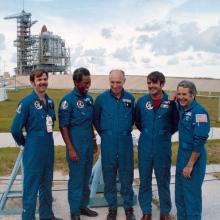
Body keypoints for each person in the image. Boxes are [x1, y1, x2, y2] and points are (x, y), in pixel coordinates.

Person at [11, 69, 62, 220]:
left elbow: (50, 124)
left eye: (45, 79)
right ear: (33, 83)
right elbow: (15, 129)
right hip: (33, 149)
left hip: (48, 148)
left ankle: (46, 215)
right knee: (31, 188)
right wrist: (25, 144)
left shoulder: (50, 102)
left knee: (46, 185)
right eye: (39, 80)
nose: (43, 82)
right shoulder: (27, 102)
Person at [135, 71, 178, 220]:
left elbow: (175, 123)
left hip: (162, 146)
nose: (151, 86)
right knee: (144, 180)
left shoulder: (171, 102)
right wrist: (149, 133)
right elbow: (138, 122)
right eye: (148, 83)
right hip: (145, 146)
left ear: (162, 84)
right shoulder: (142, 101)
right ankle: (146, 211)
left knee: (163, 181)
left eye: (154, 83)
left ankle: (164, 212)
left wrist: (162, 133)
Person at [93, 69, 136, 220]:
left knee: (126, 175)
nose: (115, 85)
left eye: (118, 82)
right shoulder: (101, 99)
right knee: (109, 175)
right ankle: (112, 208)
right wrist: (106, 133)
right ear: (109, 81)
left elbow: (133, 119)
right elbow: (96, 120)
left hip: (125, 141)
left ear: (124, 81)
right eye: (112, 82)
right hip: (108, 141)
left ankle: (128, 208)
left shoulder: (130, 99)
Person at [58, 67, 98, 220]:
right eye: (84, 83)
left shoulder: (89, 99)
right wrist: (70, 148)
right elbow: (63, 126)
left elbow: (90, 122)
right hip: (75, 144)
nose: (87, 85)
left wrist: (94, 141)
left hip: (88, 143)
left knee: (86, 177)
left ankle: (83, 206)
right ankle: (74, 211)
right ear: (75, 82)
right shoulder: (67, 101)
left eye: (89, 82)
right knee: (76, 179)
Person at [175, 80, 210, 220]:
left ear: (193, 95)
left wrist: (190, 164)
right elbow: (177, 101)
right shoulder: (183, 108)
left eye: (184, 94)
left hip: (194, 157)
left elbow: (199, 141)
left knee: (191, 197)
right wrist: (175, 98)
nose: (181, 97)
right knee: (180, 195)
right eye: (179, 94)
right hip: (182, 155)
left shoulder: (200, 112)